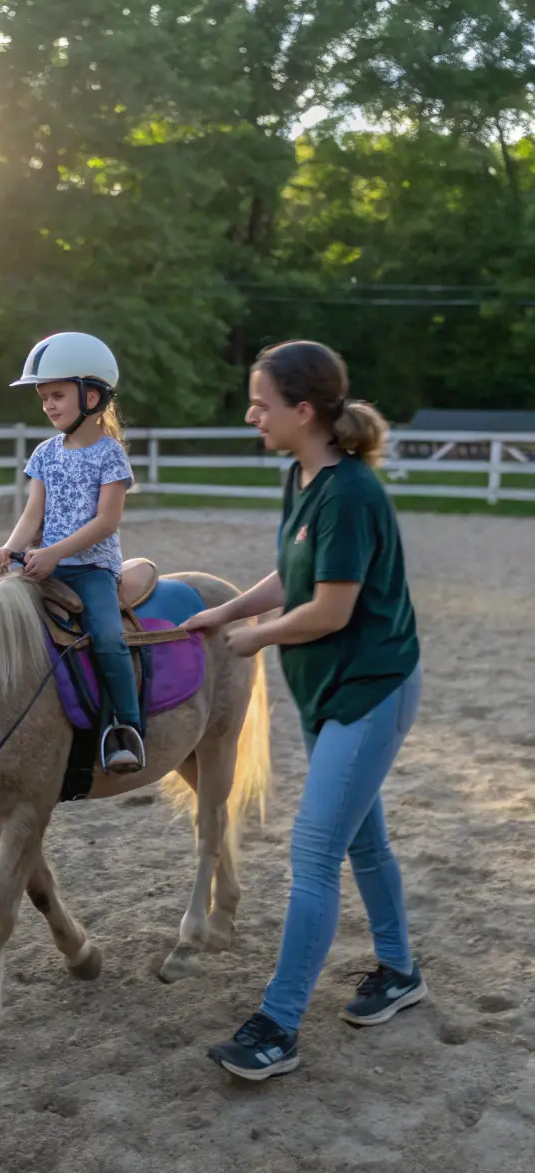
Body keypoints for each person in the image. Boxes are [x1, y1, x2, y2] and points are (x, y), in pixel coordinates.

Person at [184, 339, 425, 1081]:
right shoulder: (305, 476)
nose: (251, 413)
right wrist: (223, 611)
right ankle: (400, 969)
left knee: (314, 853)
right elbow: (293, 572)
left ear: (304, 410)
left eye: (262, 402)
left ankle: (278, 1028)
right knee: (361, 842)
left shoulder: (351, 493)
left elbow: (329, 606)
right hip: (328, 694)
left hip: (370, 689)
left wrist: (253, 637)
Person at [0, 331, 144, 773]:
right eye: (44, 398)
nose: (49, 406)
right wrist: (9, 548)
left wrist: (55, 553)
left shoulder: (109, 455)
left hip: (91, 568)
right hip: (44, 564)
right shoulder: (43, 454)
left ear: (91, 395)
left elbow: (106, 522)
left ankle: (126, 729)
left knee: (110, 639)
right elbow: (31, 515)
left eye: (57, 395)